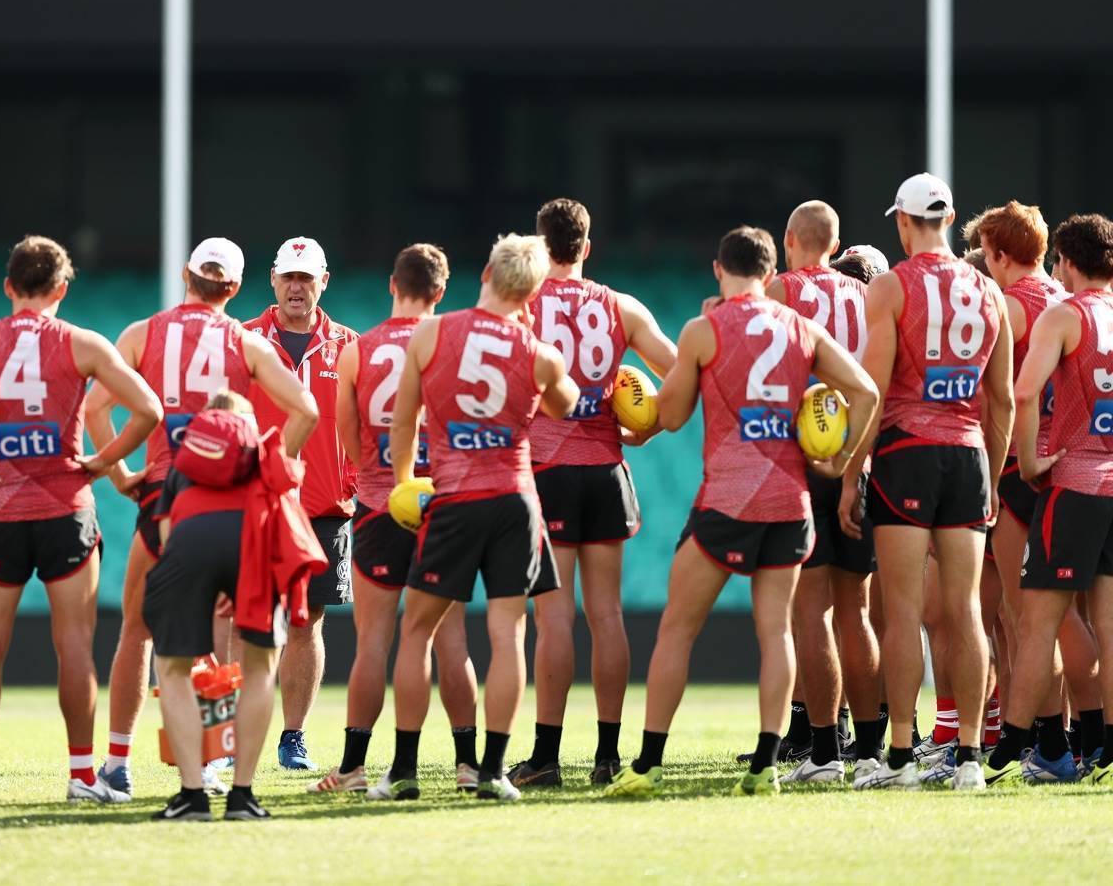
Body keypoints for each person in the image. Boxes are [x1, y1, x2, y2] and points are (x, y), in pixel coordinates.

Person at [605, 226, 878, 798]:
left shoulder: (704, 329)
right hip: (789, 501)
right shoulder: (802, 327)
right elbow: (866, 392)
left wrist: (640, 414)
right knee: (777, 631)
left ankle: (648, 764)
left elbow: (670, 416)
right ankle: (766, 767)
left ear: (718, 269)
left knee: (677, 628)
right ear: (770, 272)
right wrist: (838, 461)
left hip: (727, 500)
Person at [0, 236, 161, 806]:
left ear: (8, 287)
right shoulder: (83, 343)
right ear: (61, 289)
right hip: (67, 511)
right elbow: (149, 409)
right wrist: (103, 463)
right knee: (75, 647)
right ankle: (82, 777)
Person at [86, 236, 311, 795]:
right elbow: (305, 409)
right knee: (235, 640)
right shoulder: (245, 341)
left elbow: (95, 408)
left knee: (138, 631)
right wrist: (264, 471)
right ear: (234, 287)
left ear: (187, 275)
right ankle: (216, 764)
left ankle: (117, 764)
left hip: (165, 497)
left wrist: (119, 474)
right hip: (232, 506)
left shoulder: (142, 333)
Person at [376, 233, 580, 802]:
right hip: (515, 499)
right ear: (533, 293)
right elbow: (566, 403)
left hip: (455, 499)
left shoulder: (431, 333)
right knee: (508, 634)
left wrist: (402, 487)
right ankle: (492, 772)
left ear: (486, 273)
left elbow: (404, 422)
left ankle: (404, 772)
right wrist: (534, 341)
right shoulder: (539, 353)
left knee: (416, 631)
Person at [843, 173, 1013, 792]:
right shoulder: (989, 291)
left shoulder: (890, 285)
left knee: (903, 612)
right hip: (968, 457)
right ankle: (969, 757)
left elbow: (872, 390)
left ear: (902, 222)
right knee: (967, 611)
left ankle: (900, 756)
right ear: (951, 217)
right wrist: (992, 476)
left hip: (907, 453)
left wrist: (852, 474)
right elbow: (1003, 401)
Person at [512, 199, 677, 789]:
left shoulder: (522, 305)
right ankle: (608, 756)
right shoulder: (621, 307)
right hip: (606, 469)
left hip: (547, 472)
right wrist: (650, 426)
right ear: (587, 247)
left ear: (540, 246)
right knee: (607, 616)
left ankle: (545, 757)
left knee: (553, 619)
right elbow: (680, 371)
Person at [311, 244, 482, 796]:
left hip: (380, 505)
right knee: (450, 639)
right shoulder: (453, 344)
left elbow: (347, 435)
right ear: (440, 292)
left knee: (372, 643)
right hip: (441, 505)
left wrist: (377, 475)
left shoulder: (357, 350)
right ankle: (467, 765)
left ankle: (354, 767)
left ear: (392, 285)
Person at [964, 203, 1101, 782]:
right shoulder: (1065, 299)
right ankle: (1086, 738)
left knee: (1030, 618)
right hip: (1078, 463)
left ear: (998, 254)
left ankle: (1049, 744)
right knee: (1074, 617)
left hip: (1022, 467)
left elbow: (993, 393)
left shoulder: (1009, 305)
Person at [144, 389, 320, 822]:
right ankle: (243, 796)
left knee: (173, 669)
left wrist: (198, 582)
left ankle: (192, 794)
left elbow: (166, 532)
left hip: (190, 542)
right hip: (252, 541)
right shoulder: (261, 452)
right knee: (260, 669)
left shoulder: (186, 457)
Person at [765, 201, 881, 785]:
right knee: (857, 612)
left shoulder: (780, 291)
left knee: (810, 611)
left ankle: (824, 752)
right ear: (835, 247)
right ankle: (872, 752)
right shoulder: (867, 294)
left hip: (803, 459)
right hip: (857, 460)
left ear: (790, 239)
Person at [242, 237, 358, 772]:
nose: (296, 286)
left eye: (305, 277)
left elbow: (365, 424)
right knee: (242, 622)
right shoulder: (243, 339)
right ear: (272, 279)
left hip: (323, 509)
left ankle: (294, 737)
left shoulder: (349, 346)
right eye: (288, 276)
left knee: (307, 623)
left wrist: (351, 480)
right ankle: (230, 736)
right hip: (256, 505)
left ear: (323, 282)